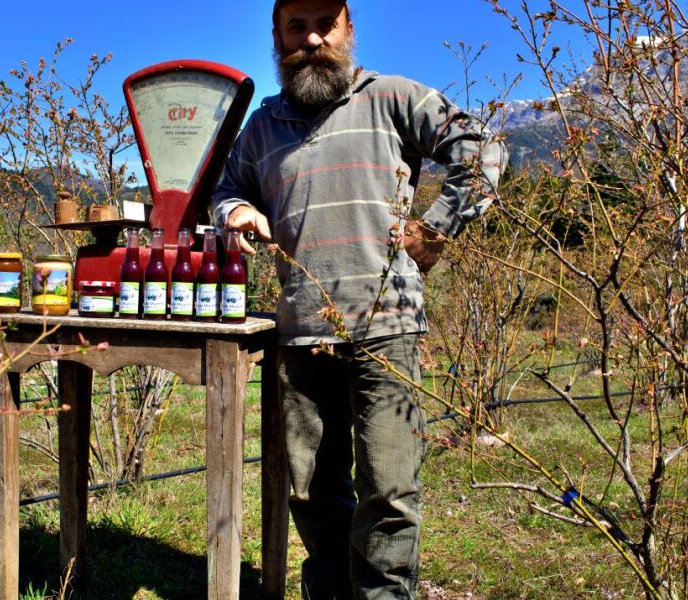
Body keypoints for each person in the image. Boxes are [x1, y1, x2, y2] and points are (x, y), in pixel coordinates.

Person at [211, 0, 507, 597]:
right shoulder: (262, 127)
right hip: (300, 333)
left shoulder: (392, 97)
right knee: (313, 494)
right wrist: (238, 210)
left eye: (325, 24)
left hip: (387, 326)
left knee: (390, 491)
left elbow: (482, 148)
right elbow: (225, 189)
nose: (312, 37)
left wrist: (438, 225)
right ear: (278, 37)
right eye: (297, 27)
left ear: (348, 29)